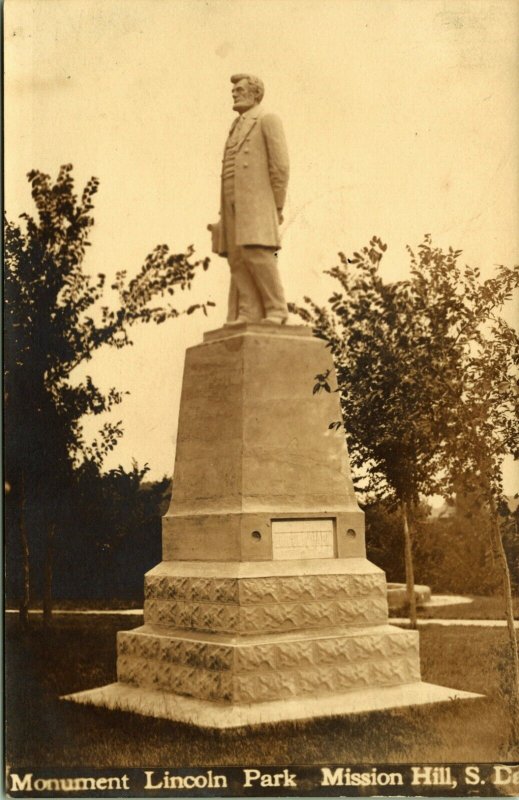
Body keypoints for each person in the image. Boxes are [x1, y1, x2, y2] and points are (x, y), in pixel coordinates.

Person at [208, 74, 289, 326]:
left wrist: (276, 205)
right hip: (231, 203)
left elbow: (280, 165)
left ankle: (277, 309)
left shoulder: (267, 119)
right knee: (237, 257)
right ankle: (248, 311)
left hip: (256, 203)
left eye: (240, 89)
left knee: (256, 253)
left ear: (255, 93)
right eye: (233, 90)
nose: (234, 93)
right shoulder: (234, 126)